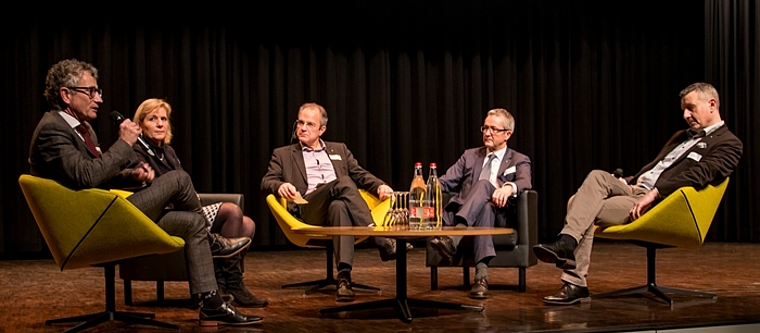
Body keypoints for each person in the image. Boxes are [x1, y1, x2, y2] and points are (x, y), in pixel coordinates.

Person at [28, 59, 262, 326]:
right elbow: (86, 176)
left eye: (98, 91)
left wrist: (131, 175)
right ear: (66, 94)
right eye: (90, 91)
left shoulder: (83, 129)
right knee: (179, 179)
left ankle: (211, 303)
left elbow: (94, 175)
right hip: (88, 227)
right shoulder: (52, 129)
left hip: (104, 213)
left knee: (192, 221)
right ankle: (213, 242)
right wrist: (125, 142)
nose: (98, 99)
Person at [533, 82, 743, 305]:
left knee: (580, 205)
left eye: (690, 108)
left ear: (712, 104)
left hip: (660, 202)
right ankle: (567, 244)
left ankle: (575, 280)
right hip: (636, 188)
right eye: (684, 109)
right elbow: (657, 168)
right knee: (596, 176)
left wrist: (655, 193)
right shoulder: (681, 136)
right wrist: (629, 181)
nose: (685, 115)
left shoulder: (729, 144)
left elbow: (700, 175)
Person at [260, 102, 412, 302]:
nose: (303, 128)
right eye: (300, 123)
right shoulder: (283, 154)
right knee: (343, 182)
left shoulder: (339, 149)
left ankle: (344, 278)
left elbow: (360, 174)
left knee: (339, 205)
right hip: (309, 208)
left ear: (322, 129)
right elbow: (266, 181)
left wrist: (379, 186)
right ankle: (380, 239)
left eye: (309, 124)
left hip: (336, 207)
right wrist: (279, 186)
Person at [131, 98, 267, 308]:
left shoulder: (168, 151)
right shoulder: (136, 151)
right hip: (163, 214)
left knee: (248, 224)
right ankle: (231, 283)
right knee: (232, 210)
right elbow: (150, 191)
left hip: (186, 208)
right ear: (140, 124)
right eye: (152, 119)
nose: (160, 124)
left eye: (163, 119)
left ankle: (226, 283)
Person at [428, 108, 532, 299]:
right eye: (485, 128)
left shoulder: (518, 159)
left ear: (507, 134)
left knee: (485, 186)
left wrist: (508, 188)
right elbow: (444, 181)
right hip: (470, 210)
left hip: (500, 217)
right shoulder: (470, 155)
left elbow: (525, 182)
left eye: (494, 129)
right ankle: (481, 278)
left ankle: (454, 239)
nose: (487, 133)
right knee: (485, 206)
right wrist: (422, 188)